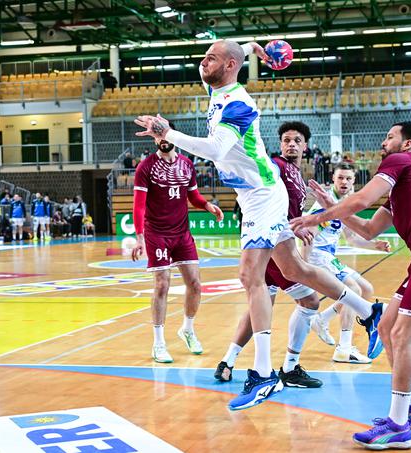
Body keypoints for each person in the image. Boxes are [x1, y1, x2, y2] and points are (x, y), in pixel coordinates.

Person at [135, 39, 383, 411]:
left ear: (230, 65)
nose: (203, 62)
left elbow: (217, 150)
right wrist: (252, 47)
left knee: (252, 277)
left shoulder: (238, 102)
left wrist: (167, 133)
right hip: (253, 196)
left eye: (211, 58)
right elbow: (221, 63)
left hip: (264, 194)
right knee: (295, 268)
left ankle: (265, 374)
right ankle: (368, 312)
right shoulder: (218, 87)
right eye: (204, 56)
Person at [291, 122, 411, 450]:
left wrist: (316, 216)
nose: (384, 142)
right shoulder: (406, 184)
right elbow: (369, 229)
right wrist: (330, 203)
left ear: (408, 144)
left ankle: (398, 425)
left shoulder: (402, 162)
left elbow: (360, 199)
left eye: (390, 137)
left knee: (402, 335)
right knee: (387, 327)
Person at [214, 121, 325, 389]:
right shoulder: (277, 166)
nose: (291, 144)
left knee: (260, 306)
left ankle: (228, 361)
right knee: (310, 301)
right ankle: (289, 368)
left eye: (297, 140)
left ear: (305, 146)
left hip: (274, 244)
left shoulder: (297, 174)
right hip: (274, 246)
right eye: (286, 140)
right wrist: (291, 228)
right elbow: (266, 205)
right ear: (280, 145)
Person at [131, 120, 223, 363]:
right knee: (162, 285)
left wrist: (206, 205)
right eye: (157, 134)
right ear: (154, 138)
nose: (162, 138)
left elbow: (192, 195)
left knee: (195, 284)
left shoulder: (187, 164)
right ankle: (158, 343)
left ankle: (187, 330)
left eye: (165, 132)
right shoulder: (145, 167)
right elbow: (139, 206)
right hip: (157, 234)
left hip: (182, 233)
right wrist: (139, 237)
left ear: (172, 134)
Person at [303, 163, 391, 364]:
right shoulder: (326, 203)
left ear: (354, 182)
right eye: (340, 178)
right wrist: (305, 267)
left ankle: (321, 319)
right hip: (318, 256)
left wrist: (374, 245)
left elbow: (351, 238)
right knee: (353, 289)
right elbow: (309, 235)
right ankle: (344, 349)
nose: (344, 182)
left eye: (348, 178)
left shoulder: (344, 203)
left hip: (329, 257)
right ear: (333, 179)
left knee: (366, 289)